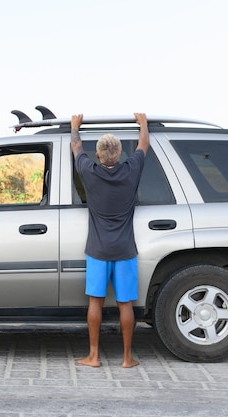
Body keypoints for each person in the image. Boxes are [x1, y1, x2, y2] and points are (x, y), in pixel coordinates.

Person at [70, 112, 149, 368]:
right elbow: (143, 145)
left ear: (99, 156)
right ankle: (127, 358)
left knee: (96, 302)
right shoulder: (131, 170)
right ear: (119, 156)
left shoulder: (89, 171)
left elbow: (76, 146)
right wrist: (143, 123)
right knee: (125, 303)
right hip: (125, 250)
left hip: (97, 250)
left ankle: (93, 356)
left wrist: (75, 126)